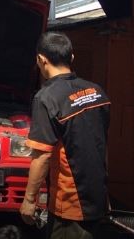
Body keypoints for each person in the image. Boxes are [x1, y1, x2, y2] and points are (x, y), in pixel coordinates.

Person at [19, 32, 111, 238]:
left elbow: (42, 156)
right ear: (72, 57)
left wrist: (29, 200)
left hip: (70, 206)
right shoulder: (97, 92)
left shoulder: (46, 98)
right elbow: (103, 145)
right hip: (98, 198)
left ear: (41, 60)